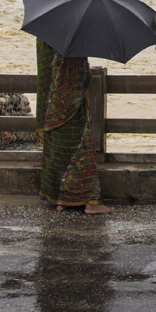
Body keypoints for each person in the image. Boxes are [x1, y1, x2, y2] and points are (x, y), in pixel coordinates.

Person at [36, 39, 113, 214]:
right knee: (80, 151)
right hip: (71, 104)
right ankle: (91, 202)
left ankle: (61, 200)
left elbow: (48, 71)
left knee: (58, 152)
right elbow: (78, 74)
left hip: (51, 107)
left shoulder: (44, 37)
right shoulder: (76, 39)